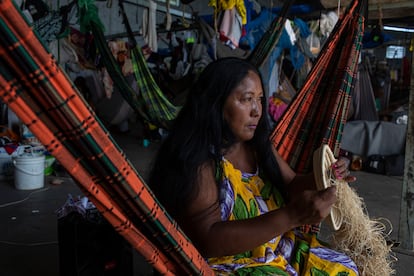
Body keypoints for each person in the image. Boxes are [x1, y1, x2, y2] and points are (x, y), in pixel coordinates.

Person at [148, 57, 358, 275]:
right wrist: (292, 216)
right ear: (216, 102)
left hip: (276, 248)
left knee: (345, 269)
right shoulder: (198, 161)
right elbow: (208, 240)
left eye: (259, 99)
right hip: (229, 263)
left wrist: (326, 174)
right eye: (247, 99)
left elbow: (292, 183)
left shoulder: (257, 146)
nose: (257, 111)